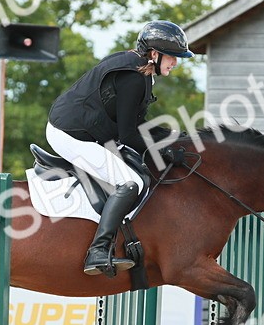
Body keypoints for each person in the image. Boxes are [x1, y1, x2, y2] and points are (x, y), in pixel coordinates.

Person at [47, 20, 192, 276]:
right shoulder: (133, 78)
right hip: (69, 134)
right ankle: (99, 250)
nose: (176, 63)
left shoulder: (141, 71)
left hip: (87, 131)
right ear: (155, 54)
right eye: (172, 57)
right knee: (129, 182)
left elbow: (137, 124)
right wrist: (162, 151)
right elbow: (128, 134)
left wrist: (174, 138)